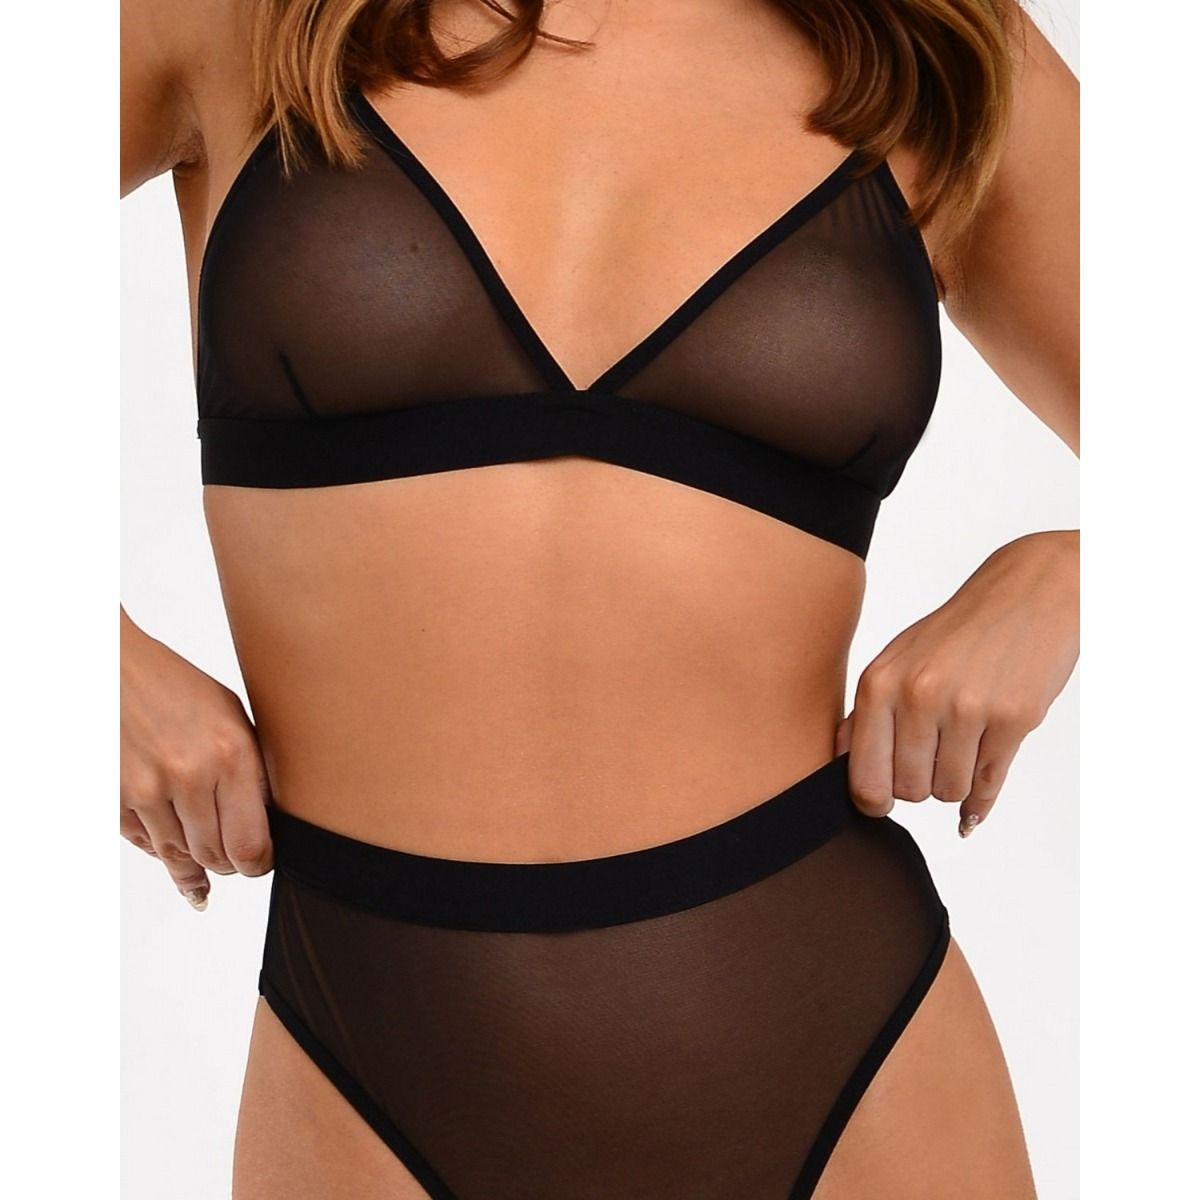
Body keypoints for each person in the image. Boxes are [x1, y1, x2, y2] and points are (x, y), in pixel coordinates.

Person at [120, 1, 1079, 1196]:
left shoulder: (935, 38)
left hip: (847, 1049)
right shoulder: (245, 20)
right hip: (368, 1055)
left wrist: (1075, 573)